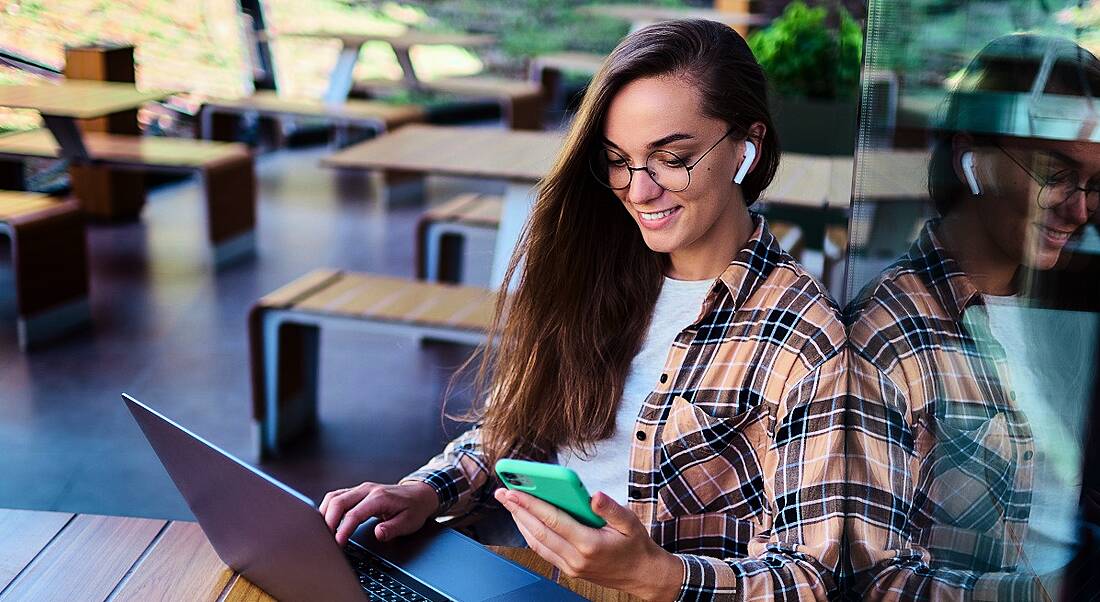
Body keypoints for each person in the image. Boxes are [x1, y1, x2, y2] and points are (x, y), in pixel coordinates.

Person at [322, 19, 849, 600]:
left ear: (747, 146)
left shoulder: (804, 338)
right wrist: (427, 490)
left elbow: (811, 580)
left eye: (673, 158)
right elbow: (517, 428)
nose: (639, 191)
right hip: (516, 570)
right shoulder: (598, 271)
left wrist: (654, 574)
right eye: (618, 160)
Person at [845, 33, 1100, 600]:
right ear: (972, 161)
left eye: (1094, 184)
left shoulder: (1068, 305)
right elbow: (873, 575)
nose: (1079, 208)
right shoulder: (891, 332)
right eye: (1054, 174)